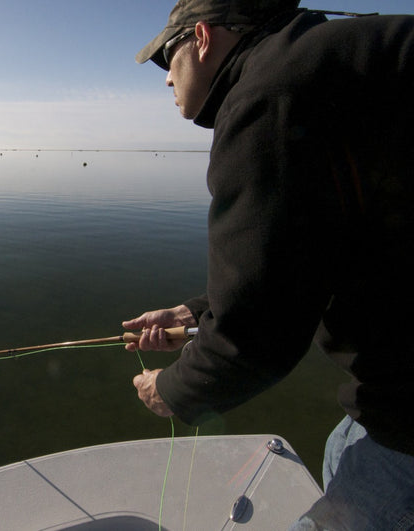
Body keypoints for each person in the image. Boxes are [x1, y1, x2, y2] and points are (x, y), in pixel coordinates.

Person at [125, 0, 414, 528]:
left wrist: (169, 391)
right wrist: (195, 316)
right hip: (388, 390)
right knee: (344, 442)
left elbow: (255, 337)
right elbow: (306, 257)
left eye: (170, 57)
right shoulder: (337, 68)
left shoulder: (268, 97)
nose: (167, 79)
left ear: (205, 39)